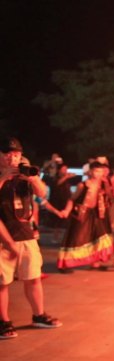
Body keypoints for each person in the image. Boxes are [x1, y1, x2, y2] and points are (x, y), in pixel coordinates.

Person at [0, 138, 62, 339]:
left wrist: (33, 178)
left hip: (26, 235)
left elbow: (43, 193)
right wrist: (4, 177)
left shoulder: (24, 173)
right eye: (7, 153)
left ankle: (39, 315)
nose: (12, 157)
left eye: (16, 153)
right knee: (2, 282)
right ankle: (3, 321)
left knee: (33, 277)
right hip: (3, 236)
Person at [56, 161, 114, 272]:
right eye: (97, 171)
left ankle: (95, 263)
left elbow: (110, 196)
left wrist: (106, 184)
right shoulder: (83, 185)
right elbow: (72, 199)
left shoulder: (103, 184)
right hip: (82, 213)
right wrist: (67, 210)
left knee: (98, 237)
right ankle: (65, 264)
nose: (99, 174)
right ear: (91, 172)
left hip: (97, 214)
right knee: (76, 237)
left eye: (101, 171)